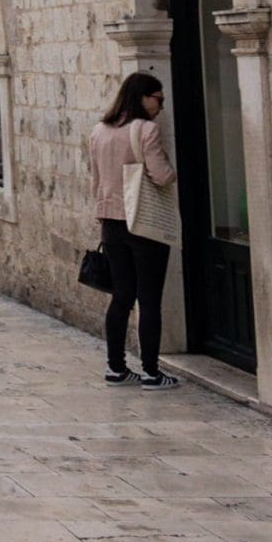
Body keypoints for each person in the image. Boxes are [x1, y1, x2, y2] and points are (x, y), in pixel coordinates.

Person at [90, 73, 180, 389]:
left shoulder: (99, 131)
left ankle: (116, 367)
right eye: (158, 98)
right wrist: (169, 170)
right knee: (149, 298)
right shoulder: (145, 130)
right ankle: (152, 372)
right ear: (142, 97)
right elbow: (162, 176)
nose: (161, 106)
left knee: (122, 296)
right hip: (144, 223)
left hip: (111, 223)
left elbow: (96, 178)